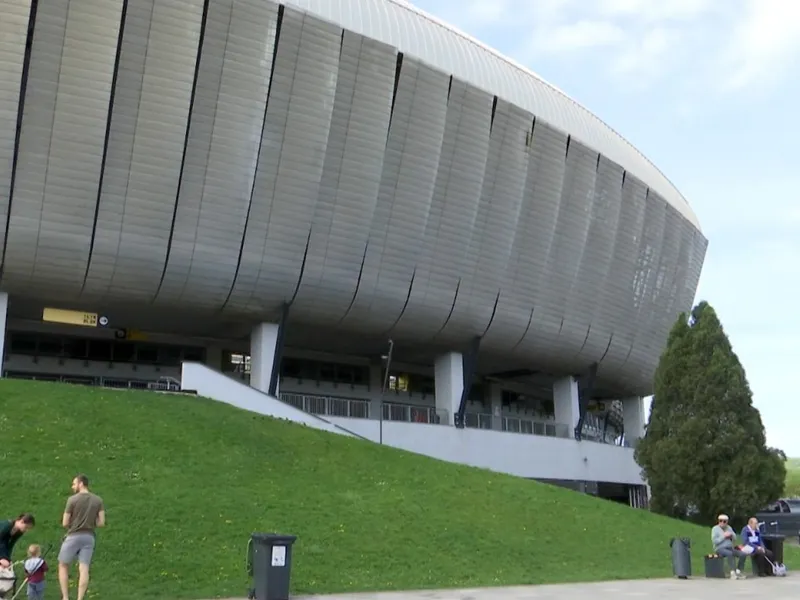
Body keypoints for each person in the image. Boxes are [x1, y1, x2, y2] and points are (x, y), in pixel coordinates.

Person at [58, 475, 105, 600]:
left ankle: (66, 597)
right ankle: (80, 598)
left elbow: (65, 523)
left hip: (73, 535)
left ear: (81, 483)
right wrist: (89, 521)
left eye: (74, 484)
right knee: (84, 568)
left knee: (63, 565)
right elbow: (101, 523)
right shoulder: (98, 500)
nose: (73, 486)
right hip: (89, 537)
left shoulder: (72, 500)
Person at [712, 513, 747, 579]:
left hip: (730, 547)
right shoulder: (715, 529)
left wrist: (731, 535)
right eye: (720, 521)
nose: (722, 523)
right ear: (718, 521)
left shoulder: (729, 528)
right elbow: (715, 541)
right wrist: (724, 536)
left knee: (743, 554)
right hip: (719, 548)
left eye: (724, 521)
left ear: (727, 522)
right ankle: (732, 572)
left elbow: (735, 538)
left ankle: (738, 571)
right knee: (730, 554)